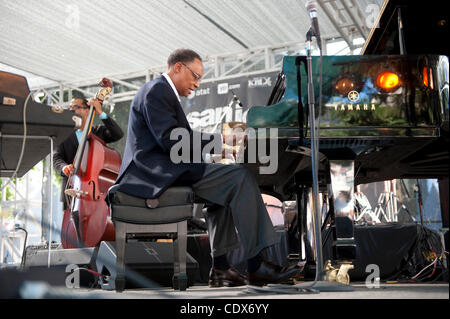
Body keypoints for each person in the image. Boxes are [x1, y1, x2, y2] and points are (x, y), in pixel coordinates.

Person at [114, 48, 299, 287]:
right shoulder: (157, 90)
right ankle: (257, 266)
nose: (198, 84)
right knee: (239, 177)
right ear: (178, 67)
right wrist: (223, 140)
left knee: (223, 191)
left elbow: (175, 140)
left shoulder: (159, 91)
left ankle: (221, 269)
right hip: (155, 174)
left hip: (165, 168)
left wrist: (218, 151)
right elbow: (171, 139)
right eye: (196, 76)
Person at [53, 97, 124, 209]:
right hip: (71, 191)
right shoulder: (64, 134)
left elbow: (117, 134)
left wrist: (100, 111)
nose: (71, 110)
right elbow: (56, 158)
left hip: (93, 193)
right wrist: (64, 167)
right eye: (69, 108)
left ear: (87, 110)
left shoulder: (98, 132)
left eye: (75, 107)